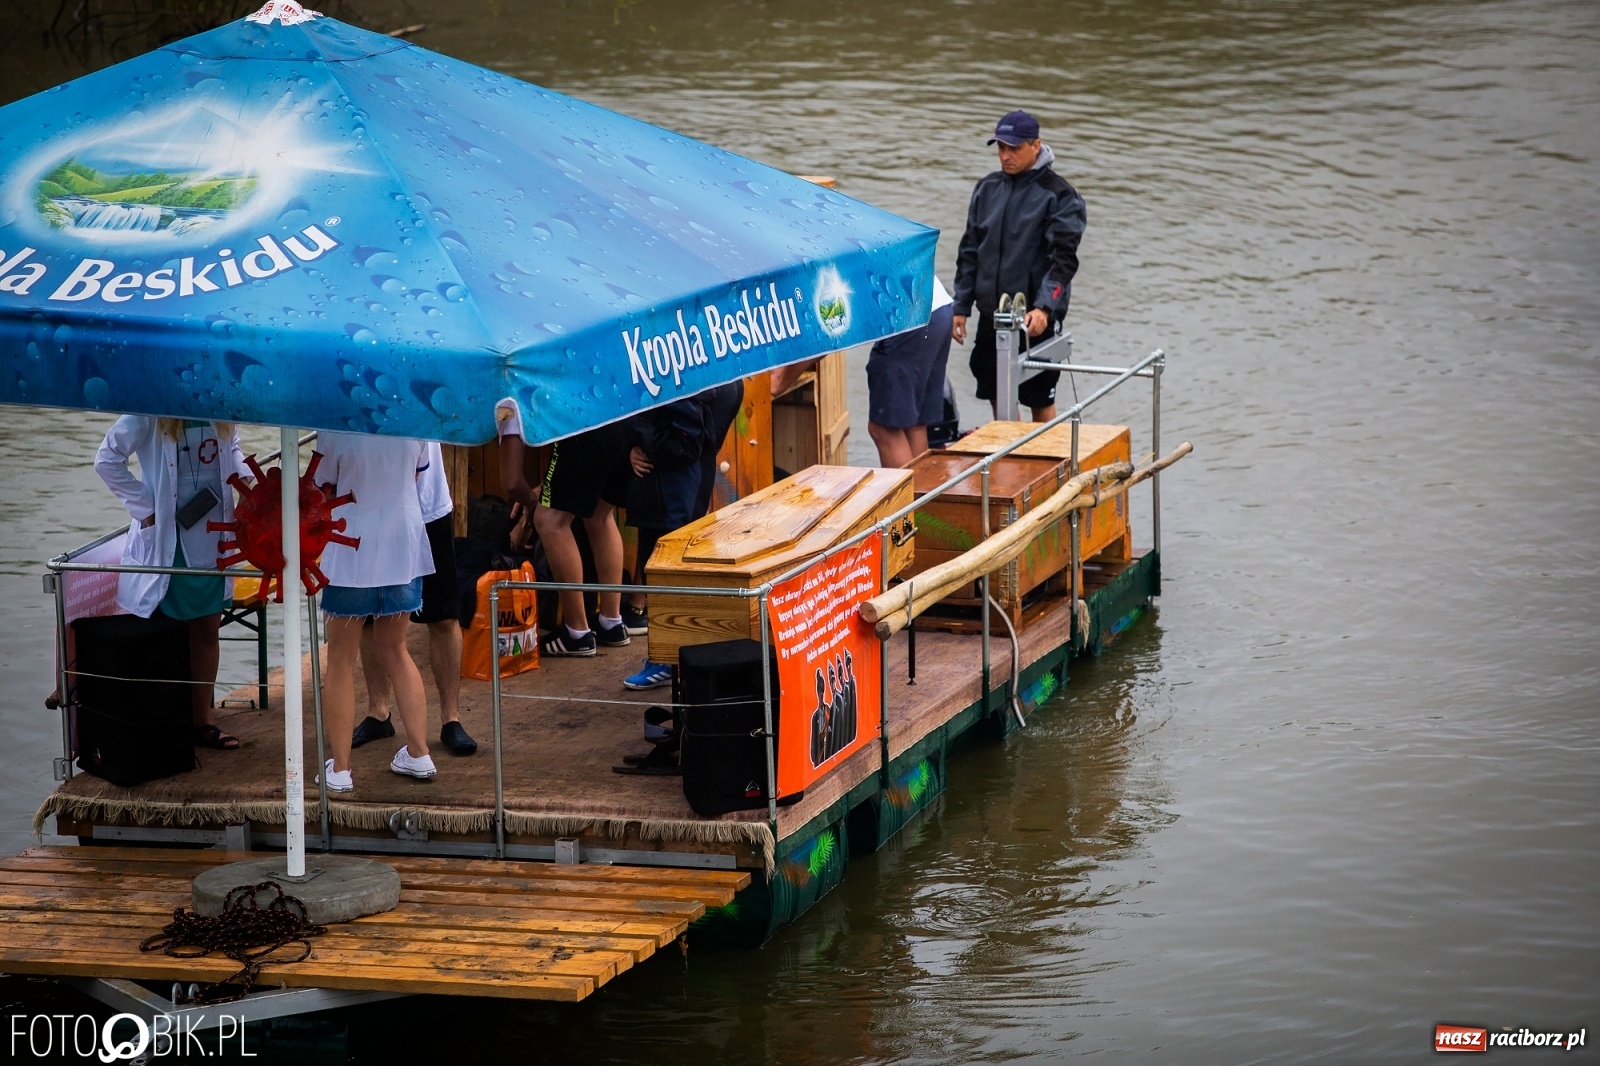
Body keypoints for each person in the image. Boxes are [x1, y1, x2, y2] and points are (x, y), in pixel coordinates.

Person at [94, 415, 251, 750]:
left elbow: (231, 447)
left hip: (212, 534)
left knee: (208, 630)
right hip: (168, 540)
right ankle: (164, 724)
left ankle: (202, 723)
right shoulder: (147, 412)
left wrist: (247, 480)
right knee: (165, 635)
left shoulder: (219, 408)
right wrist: (145, 506)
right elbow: (107, 459)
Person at [314, 432, 437, 791]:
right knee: (397, 649)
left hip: (352, 542)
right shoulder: (417, 420)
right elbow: (417, 473)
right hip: (404, 542)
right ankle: (419, 753)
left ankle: (340, 769)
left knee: (340, 656)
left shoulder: (335, 425)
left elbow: (320, 490)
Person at [951, 109, 1086, 423]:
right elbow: (970, 248)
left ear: (1035, 145)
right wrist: (961, 305)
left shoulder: (1061, 195)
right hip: (992, 314)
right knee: (996, 388)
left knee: (1039, 395)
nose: (1005, 156)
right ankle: (1007, 457)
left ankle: (1047, 461)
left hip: (1033, 318)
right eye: (1000, 148)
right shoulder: (986, 189)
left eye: (1014, 148)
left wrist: (1044, 307)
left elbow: (1063, 261)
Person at [351, 441, 477, 757]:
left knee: (444, 615)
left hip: (428, 506)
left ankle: (451, 718)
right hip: (370, 507)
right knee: (369, 614)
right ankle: (378, 710)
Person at [620, 380, 743, 690]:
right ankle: (672, 656)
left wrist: (641, 443)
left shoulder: (681, 381)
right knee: (664, 570)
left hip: (671, 492)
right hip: (674, 488)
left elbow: (684, 442)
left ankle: (668, 659)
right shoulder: (705, 375)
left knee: (666, 572)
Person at [496, 400, 632, 656]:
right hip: (620, 412)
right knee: (601, 517)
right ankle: (611, 622)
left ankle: (577, 632)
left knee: (550, 521)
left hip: (583, 421)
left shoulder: (504, 401)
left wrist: (530, 508)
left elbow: (512, 482)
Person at [867, 275, 956, 466]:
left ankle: (907, 497)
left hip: (909, 315)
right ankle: (921, 494)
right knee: (915, 421)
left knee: (884, 428)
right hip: (937, 306)